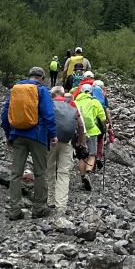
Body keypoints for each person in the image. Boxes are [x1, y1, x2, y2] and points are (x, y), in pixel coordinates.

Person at [0, 66, 56, 221]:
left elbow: (5, 114)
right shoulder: (41, 90)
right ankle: (39, 208)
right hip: (38, 136)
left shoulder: (16, 90)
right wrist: (53, 134)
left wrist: (8, 135)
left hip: (17, 135)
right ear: (41, 78)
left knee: (16, 173)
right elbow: (49, 114)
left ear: (29, 76)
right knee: (40, 173)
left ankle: (14, 210)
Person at [48, 86, 88, 214]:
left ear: (52, 95)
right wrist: (81, 142)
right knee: (64, 173)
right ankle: (61, 205)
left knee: (48, 169)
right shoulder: (72, 105)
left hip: (50, 141)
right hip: (67, 142)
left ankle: (50, 200)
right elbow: (81, 125)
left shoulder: (48, 104)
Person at [73, 80, 107, 191]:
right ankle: (88, 172)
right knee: (92, 154)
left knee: (82, 156)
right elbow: (103, 117)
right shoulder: (94, 101)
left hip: (80, 132)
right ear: (91, 91)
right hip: (92, 131)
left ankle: (83, 177)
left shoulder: (76, 101)